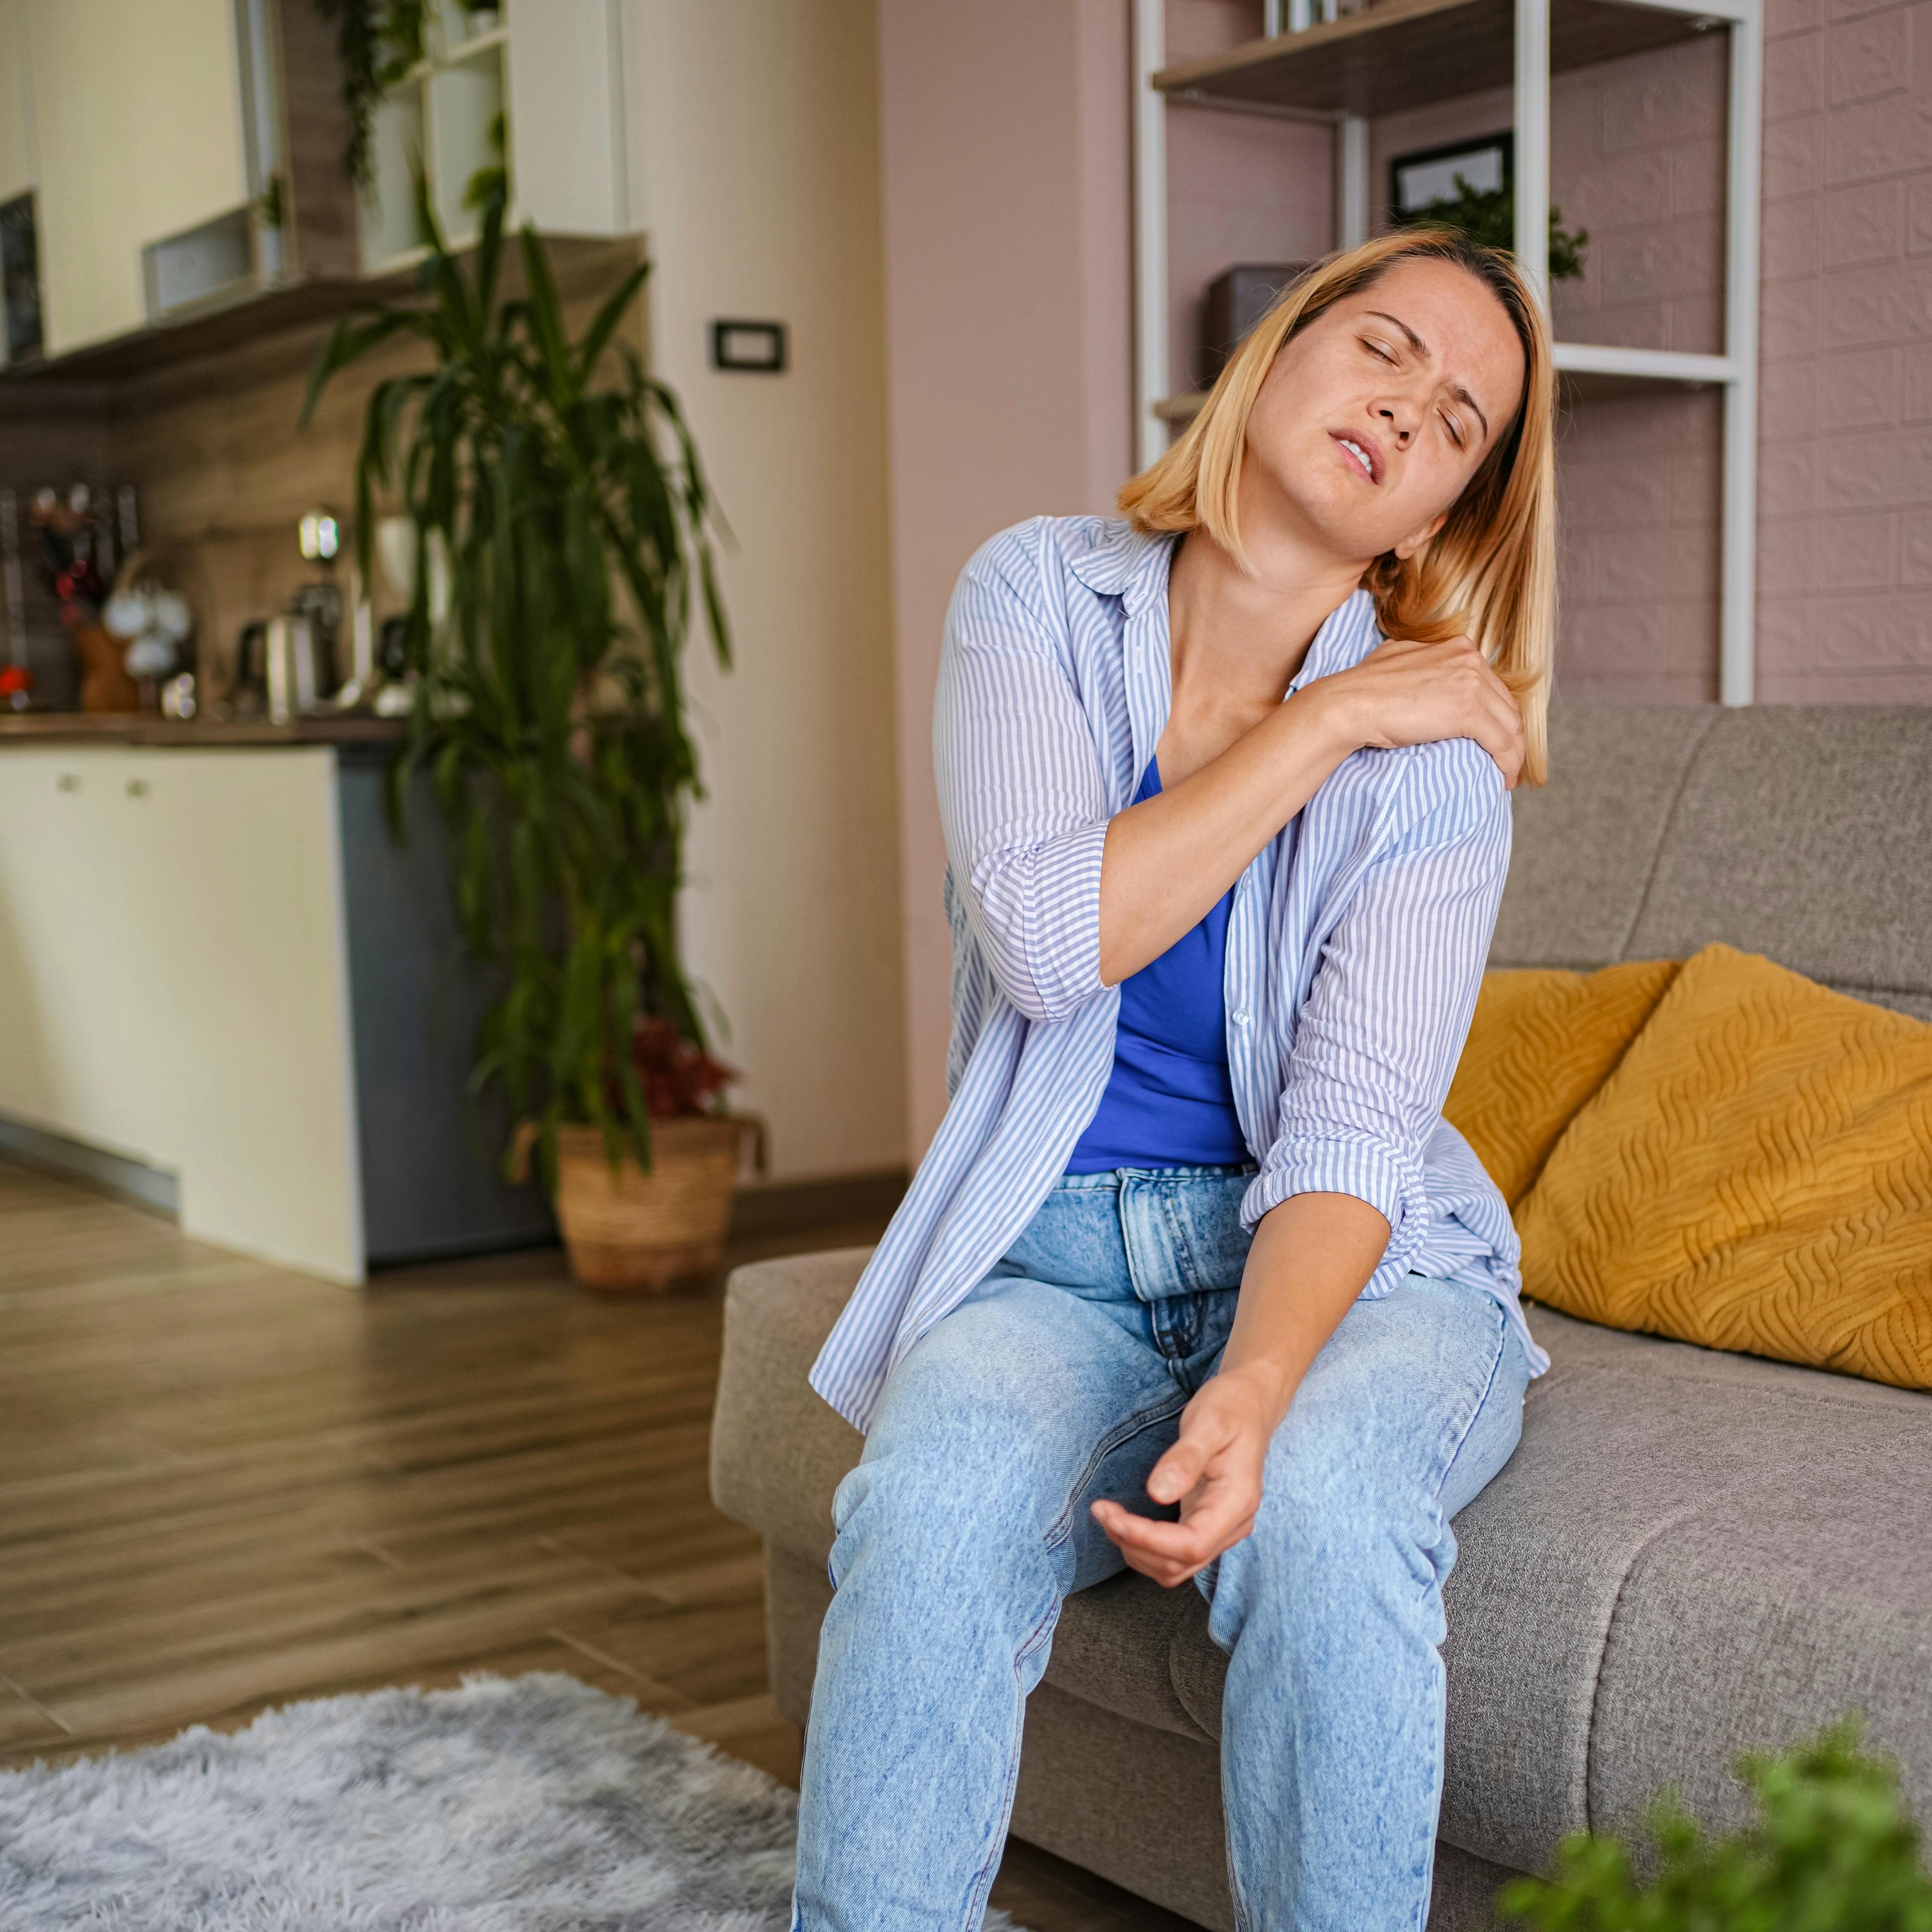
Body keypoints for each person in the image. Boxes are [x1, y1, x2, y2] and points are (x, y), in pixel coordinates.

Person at [795, 227, 1557, 1930]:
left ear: (1429, 519)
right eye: (1382, 349)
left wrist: (1260, 1388)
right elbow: (1061, 937)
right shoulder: (1035, 598)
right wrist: (1328, 723)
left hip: (1357, 1275)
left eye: (1453, 423)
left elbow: (1356, 1137)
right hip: (1057, 1257)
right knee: (922, 1514)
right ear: (1278, 350)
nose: (1405, 410)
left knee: (1334, 1513)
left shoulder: (1440, 772)